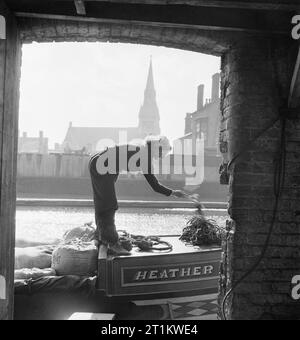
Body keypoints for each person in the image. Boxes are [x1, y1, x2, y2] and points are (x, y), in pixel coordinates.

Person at [89, 136, 186, 256]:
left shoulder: (140, 151)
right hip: (102, 164)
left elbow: (115, 158)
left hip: (98, 161)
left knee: (102, 202)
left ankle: (100, 235)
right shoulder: (144, 157)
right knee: (109, 204)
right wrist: (173, 192)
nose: (161, 157)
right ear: (157, 148)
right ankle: (112, 244)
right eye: (162, 153)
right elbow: (155, 186)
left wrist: (172, 192)